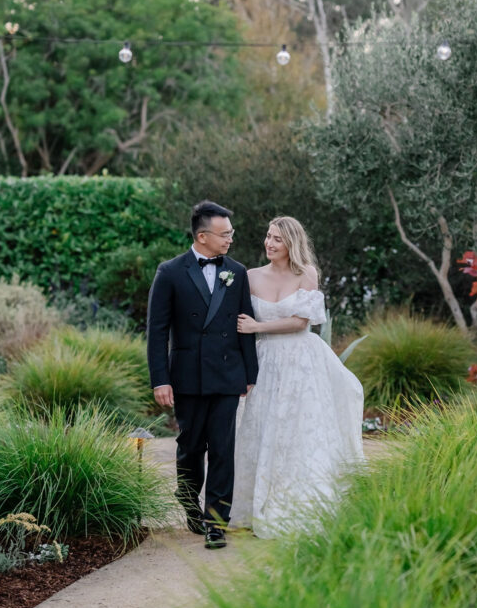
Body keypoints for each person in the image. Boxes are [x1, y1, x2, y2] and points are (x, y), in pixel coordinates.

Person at [232, 216, 364, 538]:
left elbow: (300, 322)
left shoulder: (307, 274)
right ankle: (254, 501)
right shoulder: (249, 276)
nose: (269, 243)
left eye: (276, 238)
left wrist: (257, 327)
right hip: (265, 361)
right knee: (263, 427)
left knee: (299, 428)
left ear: (291, 243)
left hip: (300, 361)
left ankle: (301, 501)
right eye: (267, 236)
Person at [146, 200, 258, 549]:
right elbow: (157, 331)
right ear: (202, 236)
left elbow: (244, 324)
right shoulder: (170, 272)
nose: (230, 240)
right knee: (191, 445)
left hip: (227, 373)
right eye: (224, 234)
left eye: (231, 233)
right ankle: (188, 498)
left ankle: (216, 523)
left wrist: (250, 373)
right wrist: (160, 379)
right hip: (187, 376)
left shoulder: (237, 272)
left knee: (223, 447)